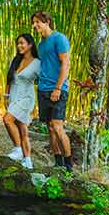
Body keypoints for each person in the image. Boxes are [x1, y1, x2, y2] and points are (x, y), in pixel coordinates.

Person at [31, 11, 72, 170]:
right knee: (49, 127)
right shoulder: (41, 44)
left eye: (37, 22)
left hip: (57, 89)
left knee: (57, 125)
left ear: (47, 21)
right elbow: (44, 66)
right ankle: (58, 163)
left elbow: (65, 64)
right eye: (33, 23)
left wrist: (58, 88)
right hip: (43, 89)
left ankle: (69, 166)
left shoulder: (59, 38)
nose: (35, 26)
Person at [3, 34, 41, 169]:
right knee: (22, 130)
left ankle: (18, 149)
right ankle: (28, 161)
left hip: (26, 98)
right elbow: (9, 79)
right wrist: (6, 96)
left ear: (30, 45)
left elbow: (44, 79)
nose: (19, 46)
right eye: (18, 44)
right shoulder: (16, 60)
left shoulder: (37, 63)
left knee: (7, 120)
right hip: (14, 96)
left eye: (22, 43)